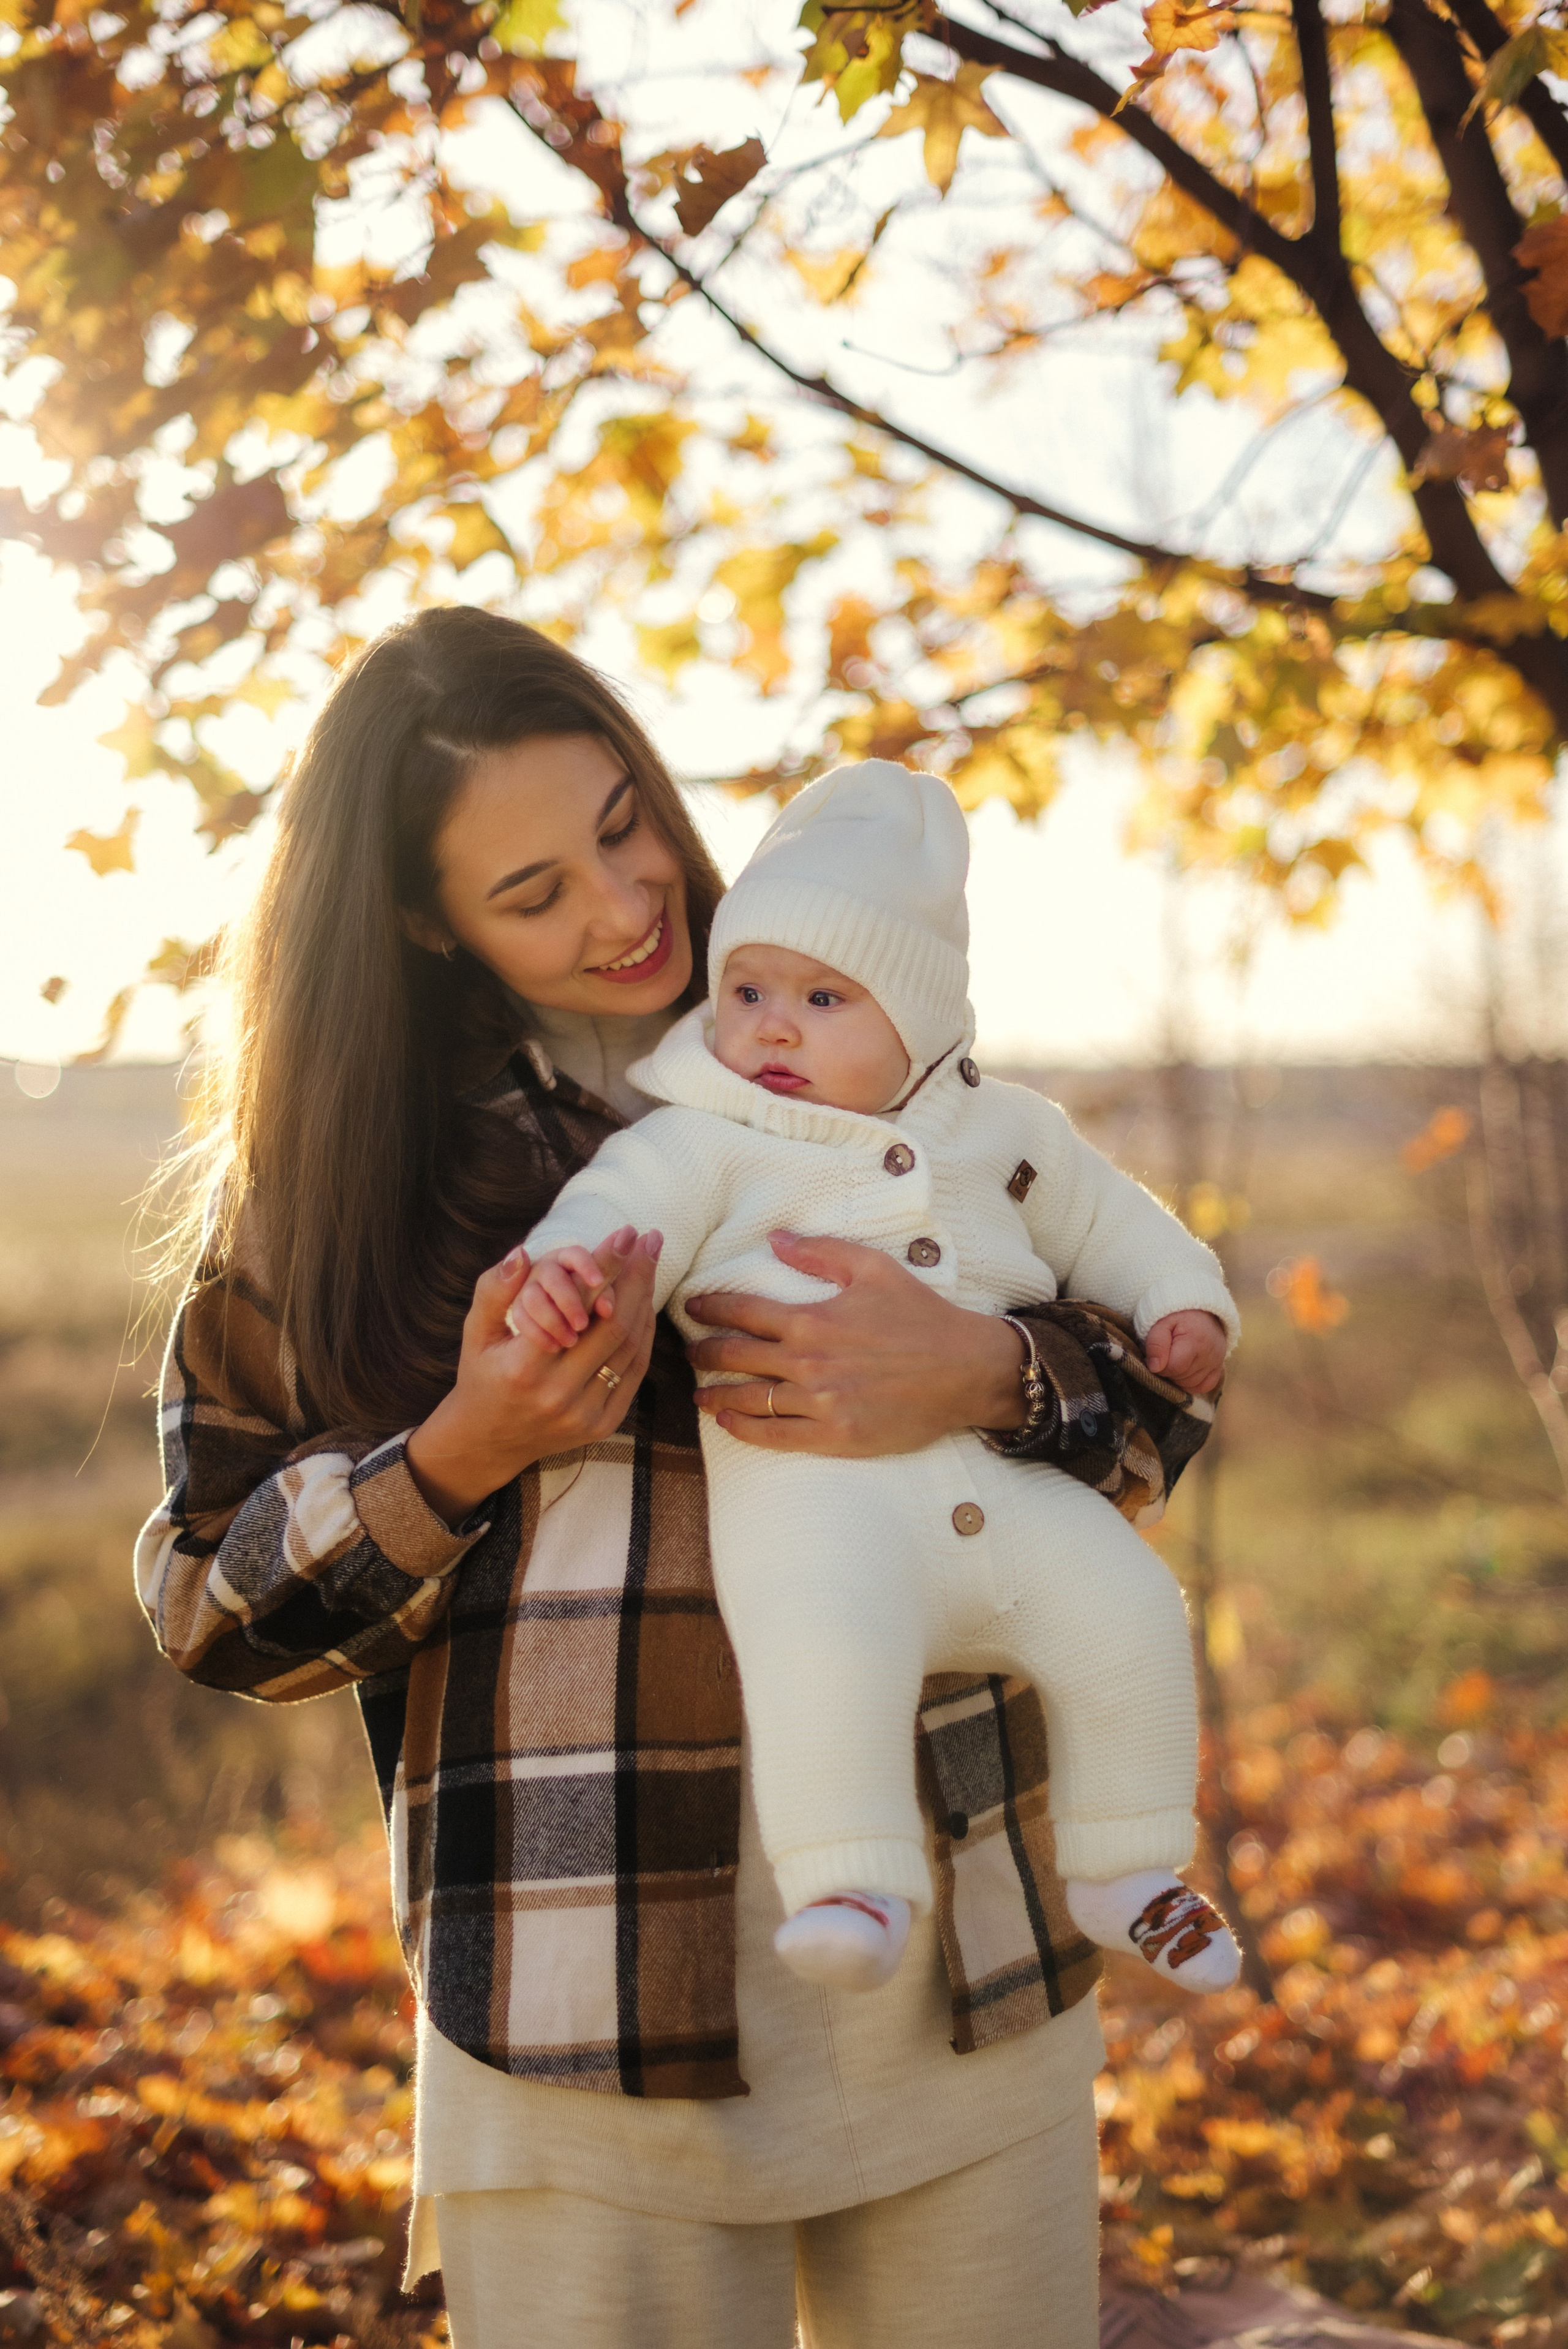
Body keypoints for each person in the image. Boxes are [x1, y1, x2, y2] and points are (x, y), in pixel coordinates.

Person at [135, 607, 1165, 2349]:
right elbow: (207, 1606)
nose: (626, 907)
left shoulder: (867, 1056)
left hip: (960, 1949)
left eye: (624, 823)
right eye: (535, 890)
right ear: (421, 921)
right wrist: (467, 1451)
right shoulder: (342, 1206)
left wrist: (988, 1367)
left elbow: (1158, 1408)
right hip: (577, 1995)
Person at [511, 762, 1241, 1998]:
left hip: (1016, 1496)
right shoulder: (701, 1137)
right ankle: (852, 1878)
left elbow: (1120, 1225)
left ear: (920, 1020)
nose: (771, 1026)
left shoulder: (1010, 1134)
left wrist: (1183, 1305)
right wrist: (556, 1274)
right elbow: (607, 1212)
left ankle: (1129, 1868)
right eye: (745, 990)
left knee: (1125, 1615)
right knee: (816, 1650)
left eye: (820, 996)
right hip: (819, 1508)